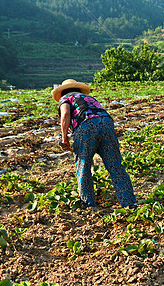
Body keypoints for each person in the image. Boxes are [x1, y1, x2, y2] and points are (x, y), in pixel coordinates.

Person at [52, 79, 138, 208]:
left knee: (83, 166)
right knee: (115, 165)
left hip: (86, 126)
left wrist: (64, 138)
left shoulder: (66, 98)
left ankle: (89, 205)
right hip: (106, 123)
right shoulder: (88, 97)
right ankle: (130, 203)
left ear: (63, 91)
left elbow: (65, 114)